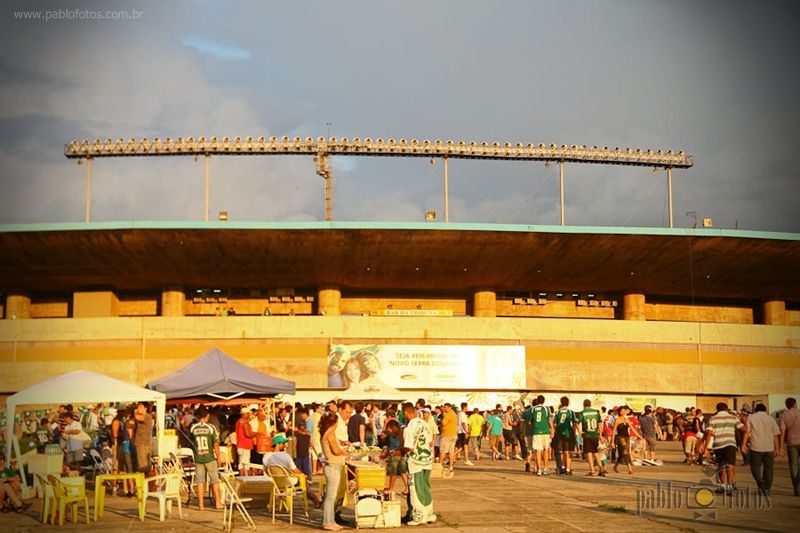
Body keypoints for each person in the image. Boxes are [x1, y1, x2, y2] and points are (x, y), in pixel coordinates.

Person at [402, 402, 435, 526]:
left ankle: (418, 516)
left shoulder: (410, 426)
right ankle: (429, 513)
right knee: (426, 487)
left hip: (415, 462)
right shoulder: (424, 423)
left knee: (415, 488)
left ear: (406, 412)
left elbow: (408, 447)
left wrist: (400, 451)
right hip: (426, 460)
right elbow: (431, 441)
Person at [265, 434, 322, 507]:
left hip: (275, 482)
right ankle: (316, 499)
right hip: (287, 481)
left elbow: (267, 470)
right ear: (279, 444)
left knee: (301, 480)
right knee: (303, 481)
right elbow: (295, 470)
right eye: (284, 444)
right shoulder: (285, 456)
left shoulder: (267, 456)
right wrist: (303, 475)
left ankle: (316, 498)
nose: (286, 445)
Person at [704, 402, 748, 494]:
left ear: (717, 409)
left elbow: (708, 433)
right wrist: (744, 443)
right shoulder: (733, 418)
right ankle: (730, 486)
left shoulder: (713, 418)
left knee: (721, 466)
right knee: (730, 465)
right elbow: (745, 430)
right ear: (727, 409)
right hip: (730, 444)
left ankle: (722, 486)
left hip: (719, 445)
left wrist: (705, 448)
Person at [191, 406, 223, 510]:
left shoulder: (193, 428)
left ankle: (201, 505)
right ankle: (218, 503)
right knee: (214, 481)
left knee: (200, 481)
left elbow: (191, 443)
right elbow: (216, 445)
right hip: (209, 457)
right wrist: (218, 458)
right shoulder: (211, 428)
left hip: (198, 458)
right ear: (207, 415)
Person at [746, 403, 781, 496]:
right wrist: (777, 448)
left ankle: (761, 483)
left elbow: (747, 431)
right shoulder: (771, 419)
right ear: (765, 410)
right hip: (769, 448)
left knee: (755, 468)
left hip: (755, 446)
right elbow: (775, 435)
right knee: (768, 470)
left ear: (756, 410)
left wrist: (743, 444)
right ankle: (767, 489)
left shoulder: (751, 418)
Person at [320, 412, 347, 531]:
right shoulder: (330, 434)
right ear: (334, 423)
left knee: (331, 496)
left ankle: (331, 520)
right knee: (330, 497)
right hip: (333, 467)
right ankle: (327, 522)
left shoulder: (327, 433)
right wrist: (344, 451)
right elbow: (336, 451)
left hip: (332, 466)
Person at [381, 419, 409, 496]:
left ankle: (391, 489)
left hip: (394, 455)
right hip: (402, 454)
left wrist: (385, 454)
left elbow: (387, 443)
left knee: (393, 473)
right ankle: (407, 488)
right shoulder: (401, 432)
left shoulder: (390, 434)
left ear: (391, 427)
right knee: (403, 472)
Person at [579, 399, 606, 476]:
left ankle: (592, 471)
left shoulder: (583, 413)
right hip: (595, 434)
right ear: (590, 404)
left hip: (587, 434)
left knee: (589, 453)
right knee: (596, 452)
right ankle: (601, 469)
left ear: (584, 405)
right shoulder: (596, 412)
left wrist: (580, 431)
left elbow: (577, 423)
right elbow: (600, 424)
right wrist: (600, 434)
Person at [111, 409, 134, 497]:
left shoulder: (120, 421)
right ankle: (114, 488)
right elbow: (115, 434)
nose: (124, 414)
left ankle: (125, 488)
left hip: (121, 445)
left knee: (122, 467)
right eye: (123, 412)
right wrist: (125, 433)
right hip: (117, 445)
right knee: (116, 467)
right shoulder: (116, 421)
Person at [780, 397, 800, 496]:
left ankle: (797, 489)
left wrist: (781, 447)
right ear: (795, 404)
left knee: (794, 466)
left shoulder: (785, 416)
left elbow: (782, 431)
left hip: (792, 443)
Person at [612, 405, 640, 475]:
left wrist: (639, 436)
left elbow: (632, 428)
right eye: (621, 411)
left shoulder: (627, 419)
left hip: (627, 437)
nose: (623, 412)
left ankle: (615, 466)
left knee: (623, 453)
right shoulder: (617, 420)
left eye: (624, 411)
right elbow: (614, 431)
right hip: (620, 437)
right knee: (626, 452)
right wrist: (612, 442)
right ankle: (630, 469)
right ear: (619, 412)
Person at [554, 397, 577, 475]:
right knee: (567, 451)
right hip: (568, 433)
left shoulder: (557, 412)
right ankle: (568, 469)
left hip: (559, 433)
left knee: (560, 451)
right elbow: (574, 424)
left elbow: (554, 424)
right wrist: (573, 432)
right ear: (568, 403)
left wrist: (556, 431)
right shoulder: (571, 412)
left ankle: (561, 467)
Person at [132, 401, 154, 474]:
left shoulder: (147, 416)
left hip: (144, 443)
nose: (138, 409)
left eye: (140, 407)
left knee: (144, 463)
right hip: (140, 442)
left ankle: (146, 478)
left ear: (145, 408)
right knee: (140, 462)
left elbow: (137, 417)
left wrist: (135, 412)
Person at [235, 407, 256, 475]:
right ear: (244, 414)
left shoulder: (238, 421)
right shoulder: (244, 422)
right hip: (245, 445)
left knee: (241, 463)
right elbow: (248, 434)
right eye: (248, 413)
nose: (249, 415)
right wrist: (257, 434)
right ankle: (247, 479)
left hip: (240, 444)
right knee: (246, 464)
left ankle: (242, 478)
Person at [438, 403, 457, 470]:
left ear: (449, 407)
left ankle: (439, 465)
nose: (444, 409)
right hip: (453, 434)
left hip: (447, 435)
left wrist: (439, 422)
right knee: (451, 451)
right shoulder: (454, 414)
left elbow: (443, 423)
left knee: (443, 450)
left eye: (445, 407)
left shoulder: (448, 415)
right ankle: (451, 466)